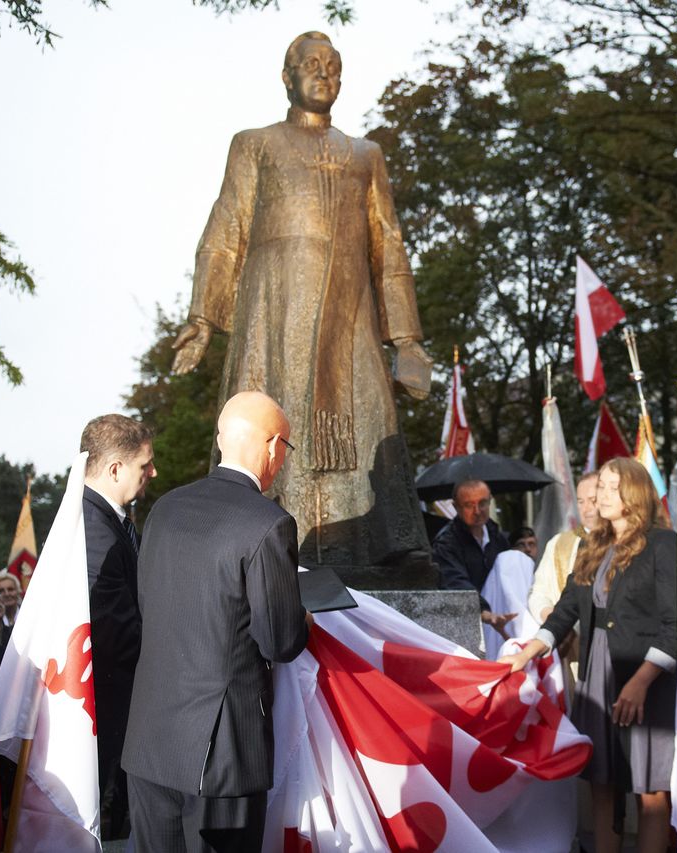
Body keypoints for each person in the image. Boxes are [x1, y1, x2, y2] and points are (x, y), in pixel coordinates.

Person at [170, 31, 433, 569]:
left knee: (367, 418)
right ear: (286, 76)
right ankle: (264, 539)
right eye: (310, 64)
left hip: (349, 310)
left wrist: (407, 340)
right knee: (270, 412)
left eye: (333, 66)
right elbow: (226, 226)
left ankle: (387, 539)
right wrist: (202, 317)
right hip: (274, 307)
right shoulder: (255, 143)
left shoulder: (366, 155)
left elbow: (390, 243)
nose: (323, 73)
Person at [122, 391, 310, 852]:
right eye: (283, 451)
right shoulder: (268, 524)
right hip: (221, 752)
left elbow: (149, 605)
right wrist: (301, 613)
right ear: (271, 446)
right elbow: (280, 641)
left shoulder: (163, 509)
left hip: (149, 739)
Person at [501, 457, 677, 853]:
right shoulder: (592, 544)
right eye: (602, 487)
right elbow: (566, 609)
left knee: (650, 792)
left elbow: (674, 624)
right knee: (603, 784)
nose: (602, 495)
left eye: (613, 487)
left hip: (645, 677)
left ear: (635, 492)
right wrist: (527, 652)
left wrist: (641, 682)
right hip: (598, 677)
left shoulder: (663, 543)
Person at [80, 413, 158, 840]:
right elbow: (116, 633)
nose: (153, 472)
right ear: (115, 469)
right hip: (109, 710)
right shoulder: (97, 531)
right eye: (145, 464)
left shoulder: (109, 522)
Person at [432, 479, 513, 633]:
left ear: (490, 502)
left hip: (501, 616)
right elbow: (455, 582)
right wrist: (484, 611)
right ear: (456, 507)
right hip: (466, 622)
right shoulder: (446, 543)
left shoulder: (498, 537)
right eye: (469, 505)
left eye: (482, 503)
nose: (477, 511)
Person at [528, 472, 598, 623]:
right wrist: (551, 617)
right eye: (581, 501)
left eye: (593, 500)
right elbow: (539, 592)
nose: (586, 509)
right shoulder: (559, 543)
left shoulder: (621, 542)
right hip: (566, 635)